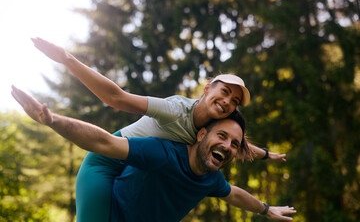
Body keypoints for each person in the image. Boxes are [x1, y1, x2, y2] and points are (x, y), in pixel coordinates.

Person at [30, 37, 287, 221]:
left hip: (135, 164)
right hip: (107, 157)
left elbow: (233, 143)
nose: (229, 102)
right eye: (225, 93)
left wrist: (265, 154)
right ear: (208, 88)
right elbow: (116, 98)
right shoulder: (174, 110)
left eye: (235, 102)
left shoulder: (215, 127)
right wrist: (67, 59)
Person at [11, 87, 296, 221]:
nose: (228, 146)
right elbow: (104, 140)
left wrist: (266, 209)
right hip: (105, 170)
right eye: (222, 136)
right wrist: (53, 120)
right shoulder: (165, 147)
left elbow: (233, 193)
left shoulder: (211, 177)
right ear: (201, 135)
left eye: (235, 144)